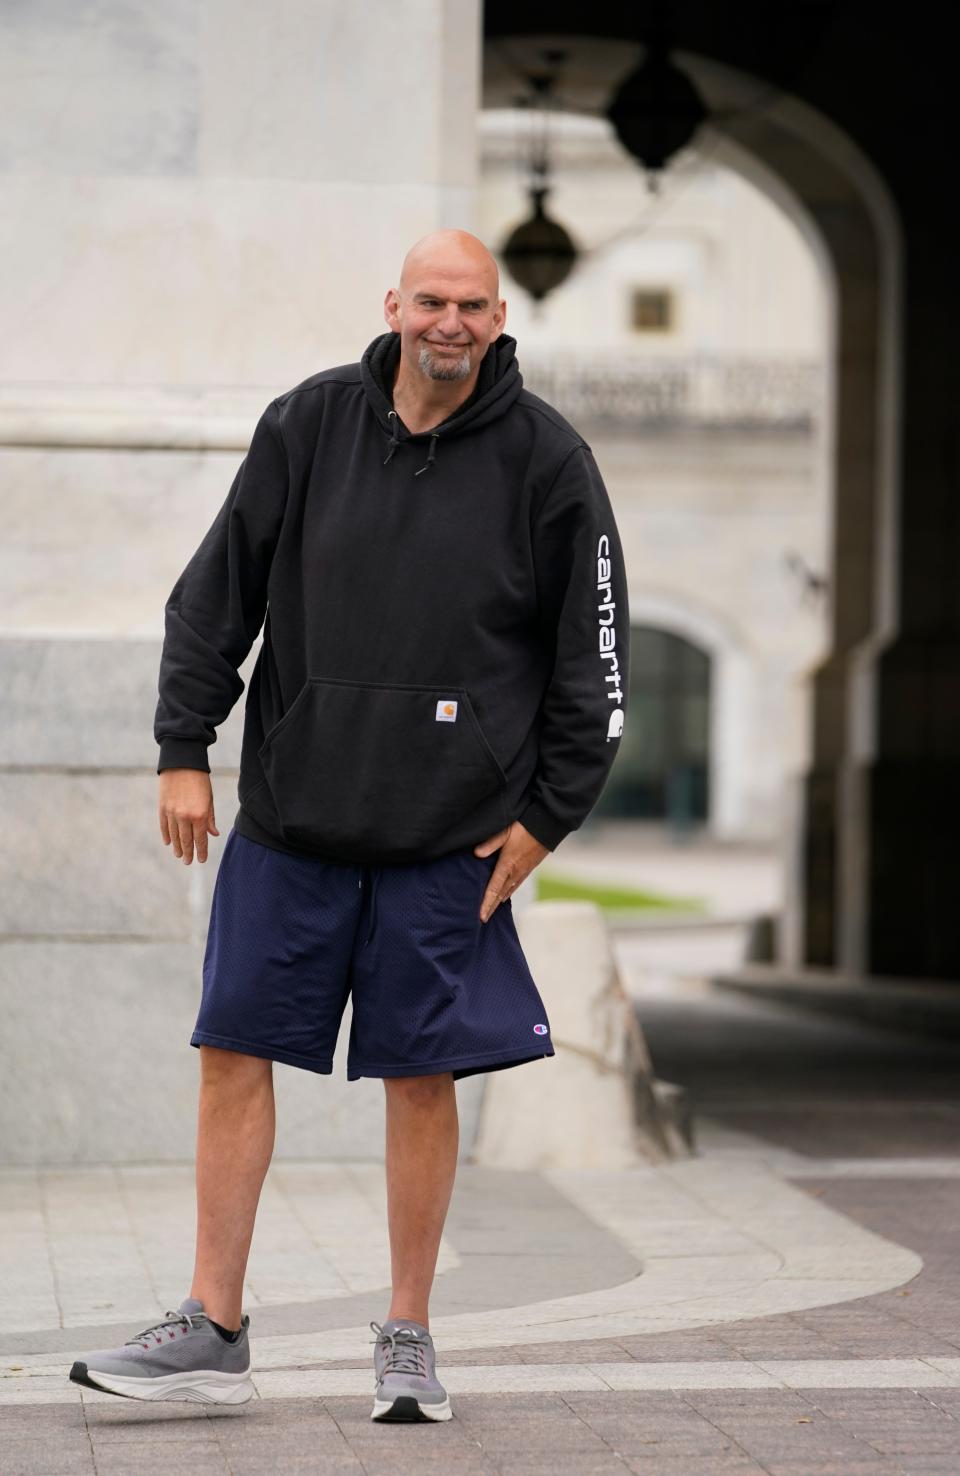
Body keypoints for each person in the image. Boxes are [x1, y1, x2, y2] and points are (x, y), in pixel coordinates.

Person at [69, 230, 630, 1422]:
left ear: (499, 315)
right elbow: (213, 591)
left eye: (474, 305)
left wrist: (544, 819)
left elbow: (597, 666)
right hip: (291, 819)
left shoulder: (548, 461)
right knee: (233, 1056)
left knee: (421, 1079)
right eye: (433, 300)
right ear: (394, 304)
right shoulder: (309, 424)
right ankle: (213, 1321)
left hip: (450, 838)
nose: (452, 323)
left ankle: (409, 1336)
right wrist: (183, 747)